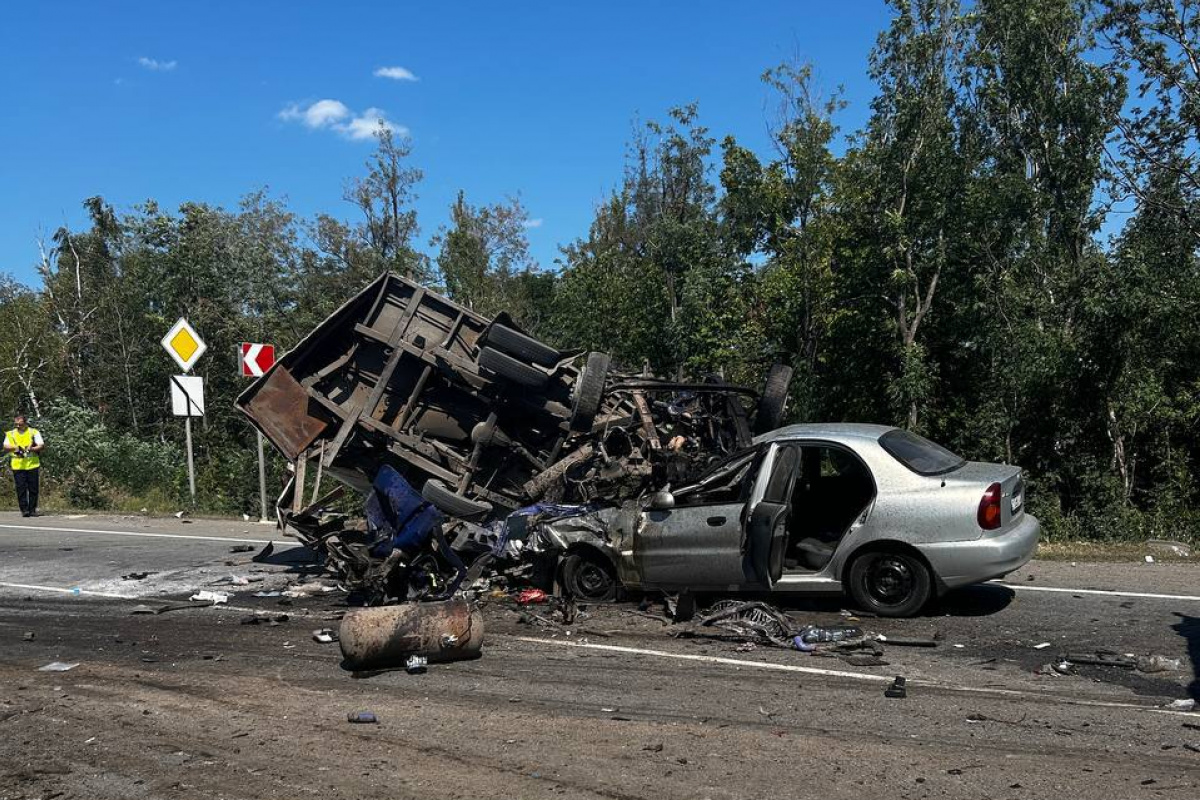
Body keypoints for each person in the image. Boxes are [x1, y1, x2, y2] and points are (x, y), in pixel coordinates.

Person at [4, 414, 44, 517]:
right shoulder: (11, 433)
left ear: (25, 423)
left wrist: (32, 449)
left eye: (20, 424)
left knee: (33, 488)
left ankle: (32, 510)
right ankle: (24, 510)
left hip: (32, 465)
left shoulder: (33, 432)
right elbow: (5, 445)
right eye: (16, 424)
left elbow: (41, 445)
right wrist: (15, 448)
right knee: (21, 488)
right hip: (18, 465)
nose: (17, 426)